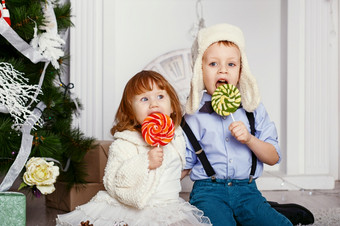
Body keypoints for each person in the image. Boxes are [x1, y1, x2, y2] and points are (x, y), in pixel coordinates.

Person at [56, 70, 211, 226]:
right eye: (144, 99)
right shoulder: (125, 143)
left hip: (169, 208)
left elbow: (176, 168)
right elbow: (113, 179)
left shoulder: (177, 138)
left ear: (172, 108)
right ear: (130, 112)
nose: (154, 103)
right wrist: (145, 162)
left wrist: (185, 171)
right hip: (131, 210)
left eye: (160, 96)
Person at [181, 23, 293, 226]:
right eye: (213, 64)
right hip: (208, 192)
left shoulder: (254, 109)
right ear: (200, 69)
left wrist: (249, 139)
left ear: (242, 70)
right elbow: (184, 166)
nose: (223, 70)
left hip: (247, 190)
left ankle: (265, 211)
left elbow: (273, 157)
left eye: (231, 64)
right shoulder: (192, 116)